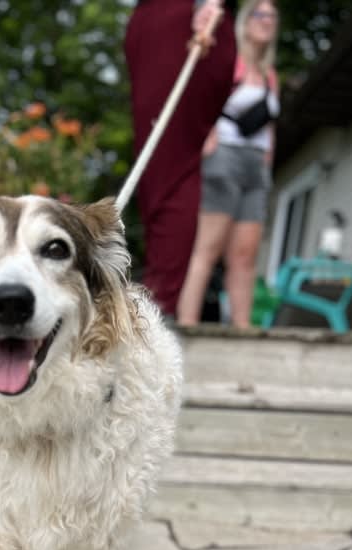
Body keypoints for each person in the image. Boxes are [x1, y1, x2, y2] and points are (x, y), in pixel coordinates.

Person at [124, 0, 237, 318]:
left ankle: (153, 314)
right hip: (163, 21)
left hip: (185, 18)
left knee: (168, 176)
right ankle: (154, 309)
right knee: (159, 176)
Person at [177, 0, 280, 327]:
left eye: (273, 17)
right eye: (261, 14)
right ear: (246, 21)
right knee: (208, 249)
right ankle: (188, 324)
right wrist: (204, 133)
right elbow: (198, 97)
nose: (268, 21)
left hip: (255, 166)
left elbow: (269, 124)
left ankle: (242, 327)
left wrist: (268, 158)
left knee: (245, 255)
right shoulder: (228, 62)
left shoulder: (269, 74)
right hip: (225, 157)